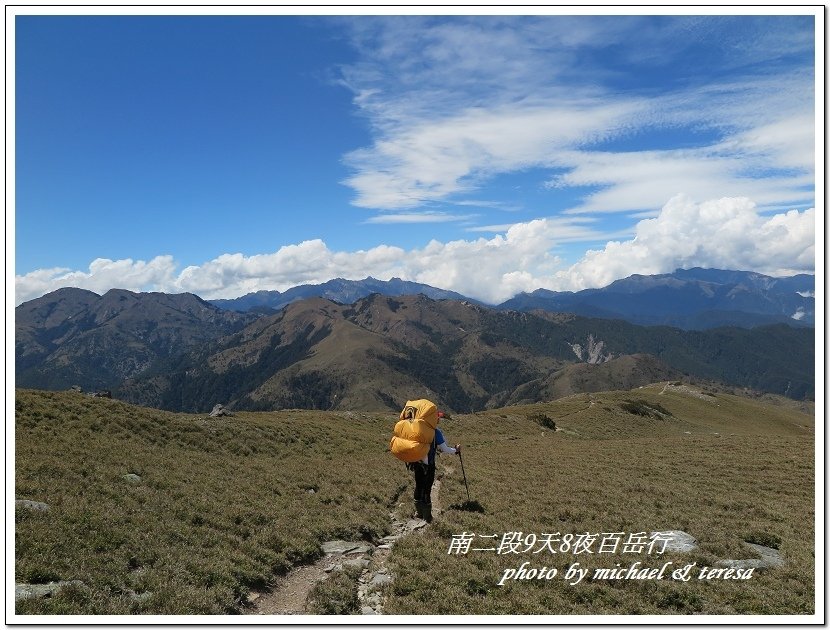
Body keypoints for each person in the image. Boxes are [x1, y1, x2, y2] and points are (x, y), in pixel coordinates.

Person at [410, 411, 461, 523]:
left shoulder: (416, 429)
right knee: (427, 489)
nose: (439, 420)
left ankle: (418, 512)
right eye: (437, 418)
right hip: (429, 465)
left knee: (418, 486)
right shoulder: (435, 432)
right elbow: (445, 449)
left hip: (417, 463)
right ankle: (427, 516)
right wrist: (456, 450)